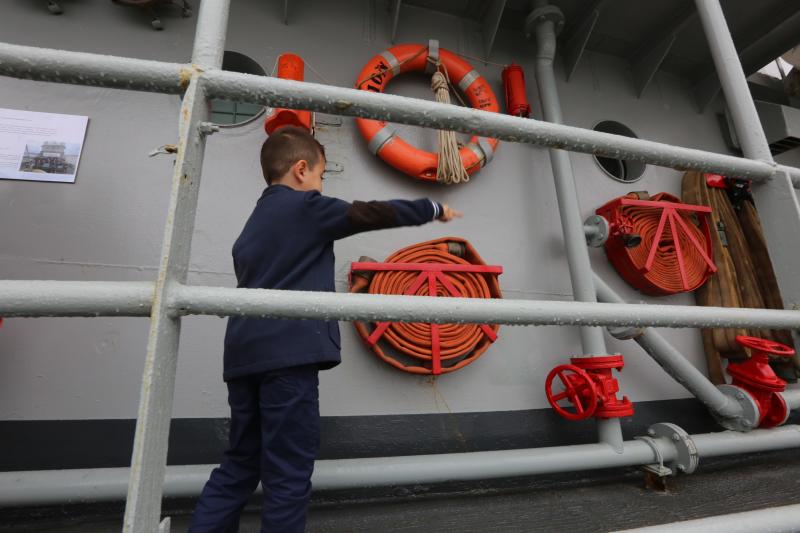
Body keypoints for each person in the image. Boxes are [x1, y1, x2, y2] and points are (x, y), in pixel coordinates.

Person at [189, 126, 461, 532]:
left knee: (241, 462)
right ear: (301, 170)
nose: (320, 185)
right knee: (287, 474)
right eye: (320, 176)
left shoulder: (251, 226)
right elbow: (370, 213)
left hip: (243, 357)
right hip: (289, 358)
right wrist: (432, 210)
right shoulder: (306, 207)